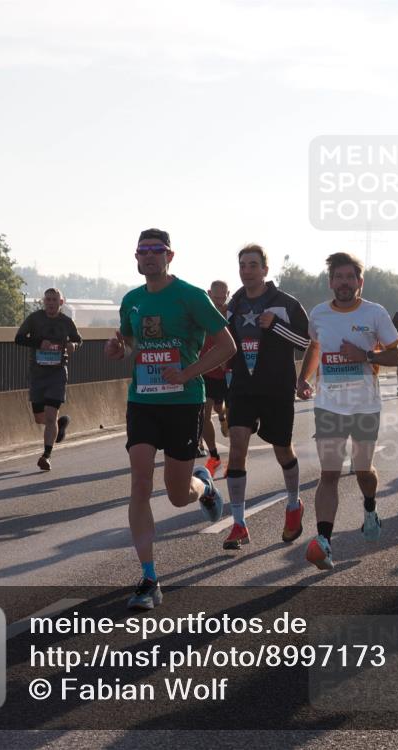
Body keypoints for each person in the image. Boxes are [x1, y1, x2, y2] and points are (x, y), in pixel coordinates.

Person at [105, 228, 237, 610]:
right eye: (142, 251)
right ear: (136, 258)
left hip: (183, 402)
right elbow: (131, 343)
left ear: (170, 256)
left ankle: (205, 487)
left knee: (178, 496)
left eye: (156, 251)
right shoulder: (131, 300)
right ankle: (149, 578)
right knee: (140, 482)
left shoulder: (192, 296)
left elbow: (226, 344)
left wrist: (189, 372)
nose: (149, 257)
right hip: (142, 400)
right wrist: (120, 348)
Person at [297, 252, 398, 571]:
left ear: (360, 282)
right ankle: (324, 542)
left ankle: (369, 507)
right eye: (338, 277)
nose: (344, 283)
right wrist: (303, 378)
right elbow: (315, 347)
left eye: (350, 277)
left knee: (362, 470)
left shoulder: (375, 313)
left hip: (365, 406)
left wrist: (365, 354)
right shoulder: (318, 314)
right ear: (331, 282)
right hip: (328, 405)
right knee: (329, 474)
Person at [222, 244, 311, 551]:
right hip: (243, 388)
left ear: (265, 270)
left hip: (276, 388)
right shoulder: (235, 303)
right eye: (242, 265)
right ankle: (238, 523)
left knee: (282, 449)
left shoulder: (285, 303)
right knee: (236, 450)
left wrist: (275, 326)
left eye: (252, 265)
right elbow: (225, 341)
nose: (247, 270)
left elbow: (305, 341)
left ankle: (292, 504)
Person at [14, 288, 82, 471]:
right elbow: (18, 338)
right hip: (37, 374)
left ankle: (46, 456)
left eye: (55, 300)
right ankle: (60, 425)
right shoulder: (35, 319)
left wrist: (72, 345)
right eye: (48, 300)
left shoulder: (67, 322)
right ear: (44, 301)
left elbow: (77, 339)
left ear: (61, 302)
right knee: (40, 418)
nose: (51, 303)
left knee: (50, 415)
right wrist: (38, 343)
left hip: (57, 373)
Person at [200, 280, 231, 477]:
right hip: (207, 372)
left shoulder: (232, 313)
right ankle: (214, 456)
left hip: (228, 373)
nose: (219, 303)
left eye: (223, 298)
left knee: (226, 411)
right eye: (216, 298)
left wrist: (227, 362)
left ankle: (223, 416)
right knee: (204, 413)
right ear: (209, 293)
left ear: (228, 294)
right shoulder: (201, 312)